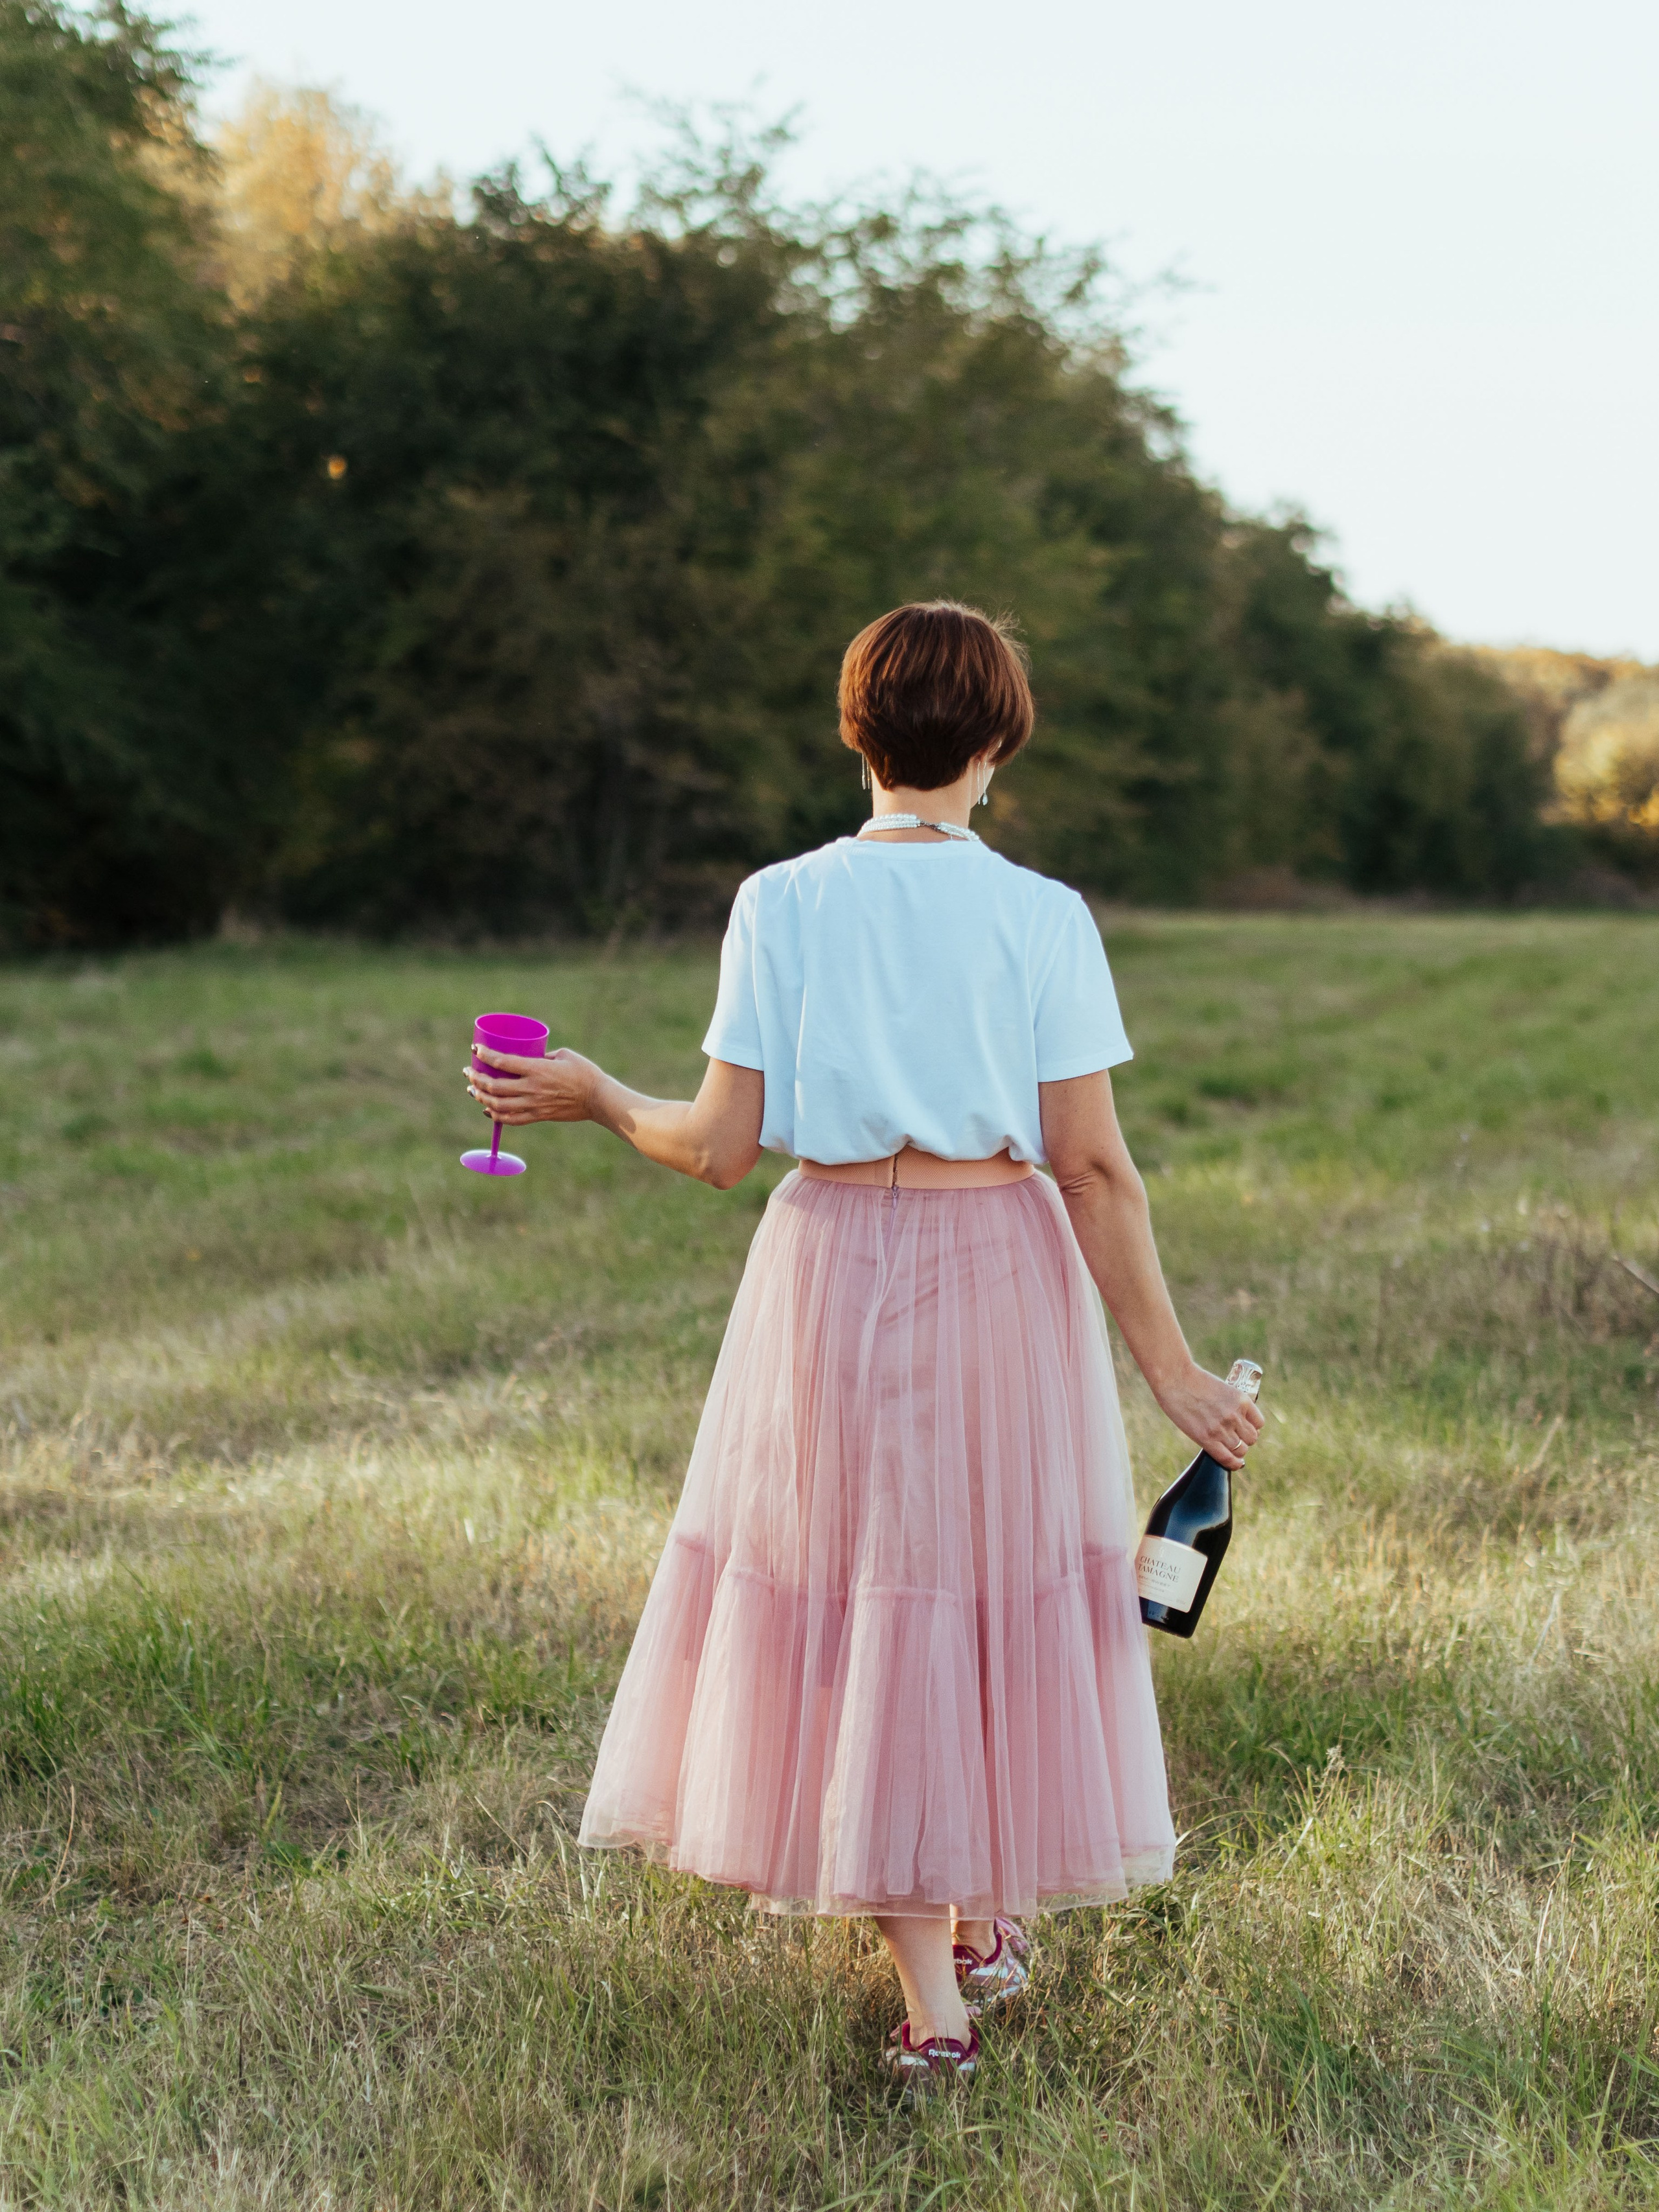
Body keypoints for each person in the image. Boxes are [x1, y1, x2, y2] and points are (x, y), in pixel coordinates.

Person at [466, 601, 1263, 2089]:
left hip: (828, 1260)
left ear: (857, 731)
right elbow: (1092, 1168)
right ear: (995, 742)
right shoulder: (1041, 914)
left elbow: (714, 1149)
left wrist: (592, 1096)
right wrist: (1171, 1370)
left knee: (864, 1595)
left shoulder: (781, 900)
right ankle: (962, 1949)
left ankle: (938, 1988)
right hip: (1002, 1268)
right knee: (986, 1582)